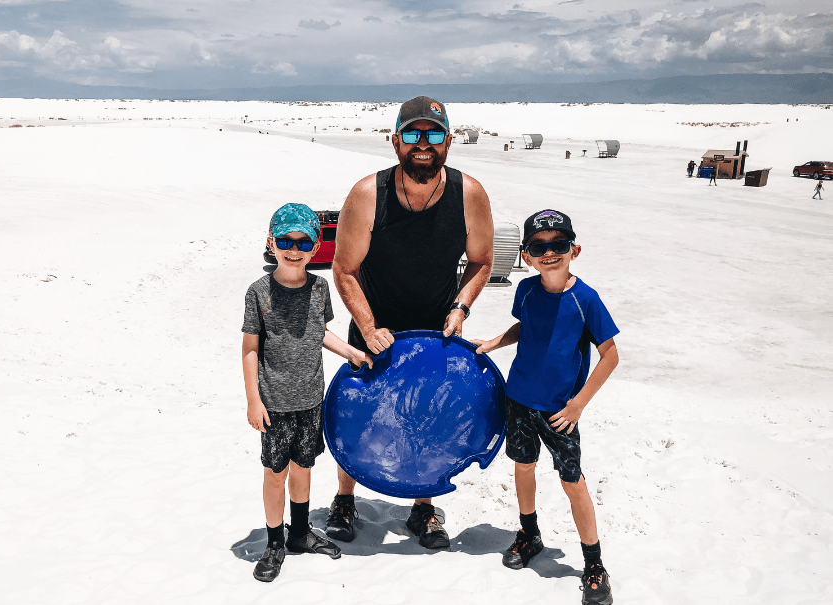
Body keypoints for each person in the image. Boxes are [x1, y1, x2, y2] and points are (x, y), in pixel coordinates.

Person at [327, 96, 495, 549]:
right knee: (359, 412)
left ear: (449, 142)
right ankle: (345, 498)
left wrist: (459, 309)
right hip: (373, 323)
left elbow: (482, 261)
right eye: (414, 134)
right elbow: (343, 269)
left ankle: (424, 509)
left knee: (429, 415)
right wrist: (367, 326)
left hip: (435, 329)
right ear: (396, 140)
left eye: (435, 134)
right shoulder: (367, 194)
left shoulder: (470, 194)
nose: (424, 144)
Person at [471, 209, 619, 605]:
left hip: (559, 412)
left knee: (573, 481)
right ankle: (529, 533)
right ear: (526, 254)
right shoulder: (527, 290)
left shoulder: (585, 299)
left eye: (558, 245)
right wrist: (494, 342)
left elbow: (610, 356)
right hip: (518, 400)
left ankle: (593, 564)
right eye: (539, 247)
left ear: (575, 249)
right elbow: (527, 328)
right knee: (523, 467)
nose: (549, 253)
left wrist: (577, 404)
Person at [242, 203, 373, 582]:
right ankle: (274, 542)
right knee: (275, 473)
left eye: (303, 241)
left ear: (316, 246)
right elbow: (251, 348)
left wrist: (352, 353)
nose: (294, 249)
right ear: (271, 243)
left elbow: (320, 332)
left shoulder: (320, 288)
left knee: (304, 467)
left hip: (311, 400)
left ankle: (299, 533)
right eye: (285, 240)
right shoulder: (259, 292)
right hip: (275, 406)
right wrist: (254, 399)